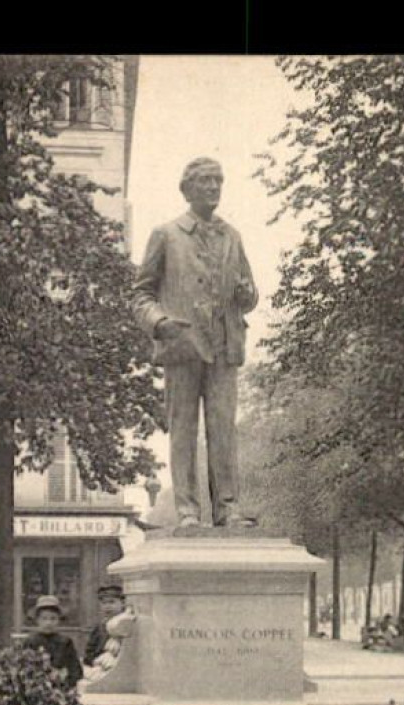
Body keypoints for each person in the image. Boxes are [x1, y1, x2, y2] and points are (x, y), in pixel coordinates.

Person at [131, 157, 259, 529]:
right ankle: (188, 510)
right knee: (183, 431)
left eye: (218, 181)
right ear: (187, 189)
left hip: (224, 347)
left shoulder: (232, 236)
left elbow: (248, 294)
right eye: (204, 181)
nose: (213, 188)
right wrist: (159, 322)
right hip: (182, 346)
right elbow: (141, 295)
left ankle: (228, 508)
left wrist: (247, 292)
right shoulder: (166, 235)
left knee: (223, 431)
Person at [24, 595, 83, 687]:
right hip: (36, 687)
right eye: (44, 619)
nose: (48, 623)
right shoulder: (31, 642)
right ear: (37, 620)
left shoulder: (65, 642)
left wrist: (63, 677)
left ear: (59, 620)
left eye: (53, 619)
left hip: (61, 687)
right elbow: (24, 668)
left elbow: (75, 670)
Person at [83, 585, 127, 668]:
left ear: (123, 603)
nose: (107, 606)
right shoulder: (100, 628)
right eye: (104, 603)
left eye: (111, 602)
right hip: (99, 665)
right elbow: (89, 651)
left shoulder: (126, 625)